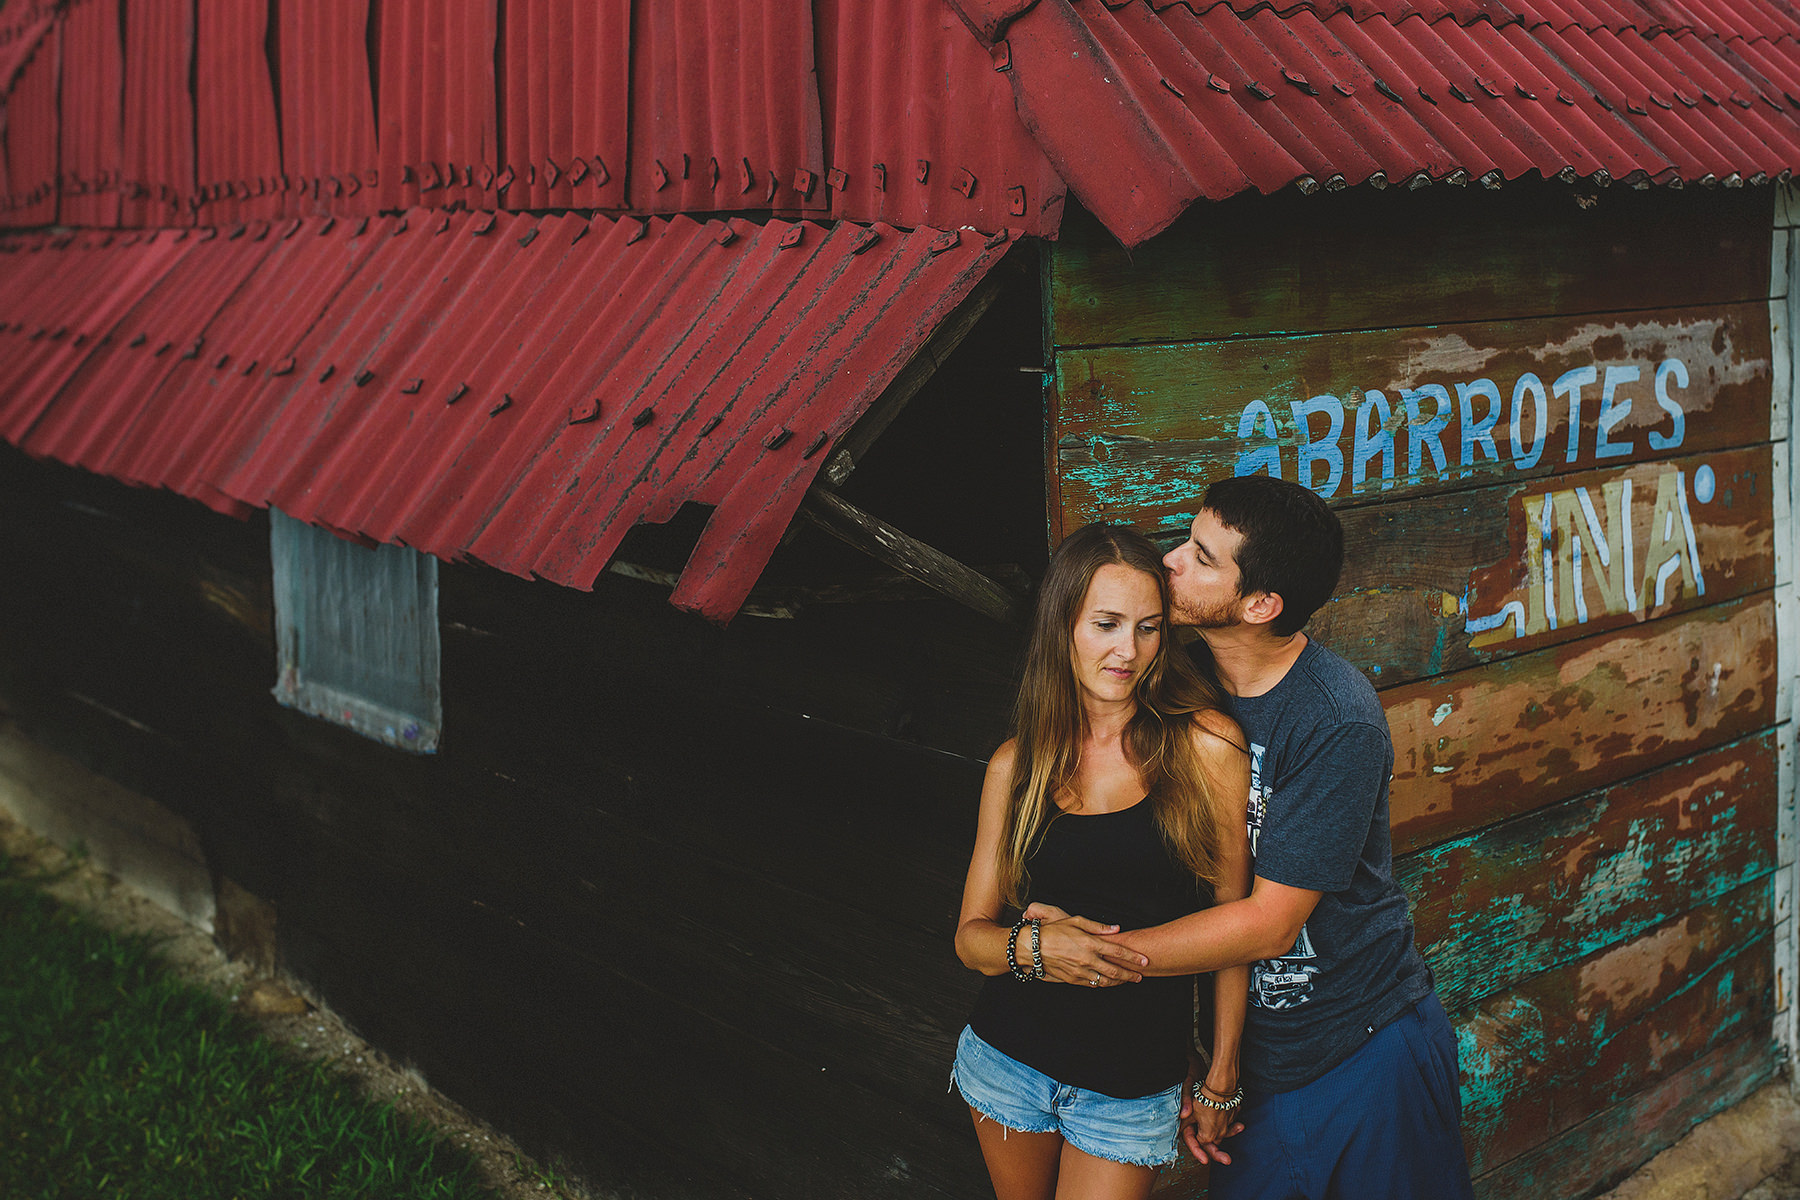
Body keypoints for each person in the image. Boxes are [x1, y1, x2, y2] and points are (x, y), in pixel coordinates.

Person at [1030, 476, 1473, 1200]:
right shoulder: (1172, 679)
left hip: (1360, 1048)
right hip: (1245, 1072)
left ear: (1260, 605)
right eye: (1186, 541)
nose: (1171, 562)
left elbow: (1269, 925)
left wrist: (1087, 954)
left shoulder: (1334, 718)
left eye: (1202, 558)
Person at [952, 522, 1254, 1200]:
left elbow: (1236, 928)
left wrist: (1221, 1077)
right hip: (1009, 1060)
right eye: (1107, 624)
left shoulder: (1208, 746)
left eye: (1149, 628)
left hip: (1130, 1086)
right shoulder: (1016, 764)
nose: (1129, 651)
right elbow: (970, 941)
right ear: (1063, 626)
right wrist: (1040, 948)